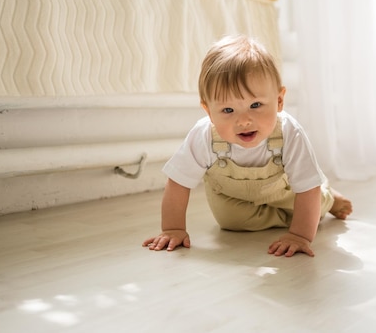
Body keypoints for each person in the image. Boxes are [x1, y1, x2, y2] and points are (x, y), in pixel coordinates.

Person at [142, 35, 352, 257]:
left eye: (255, 105)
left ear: (279, 101)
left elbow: (305, 188)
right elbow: (178, 183)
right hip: (233, 199)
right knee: (231, 222)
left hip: (286, 190)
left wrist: (299, 235)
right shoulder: (203, 135)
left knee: (312, 207)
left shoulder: (290, 132)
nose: (243, 121)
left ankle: (328, 197)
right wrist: (173, 229)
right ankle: (284, 215)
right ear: (209, 112)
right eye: (228, 110)